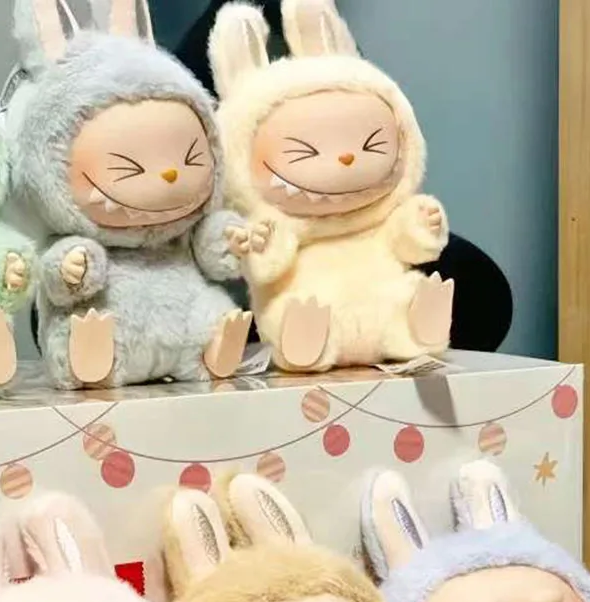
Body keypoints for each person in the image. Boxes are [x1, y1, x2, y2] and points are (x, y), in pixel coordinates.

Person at [173, 0, 513, 353]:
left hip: (368, 253)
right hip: (257, 257)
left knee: (468, 287)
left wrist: (412, 223)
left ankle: (407, 330)